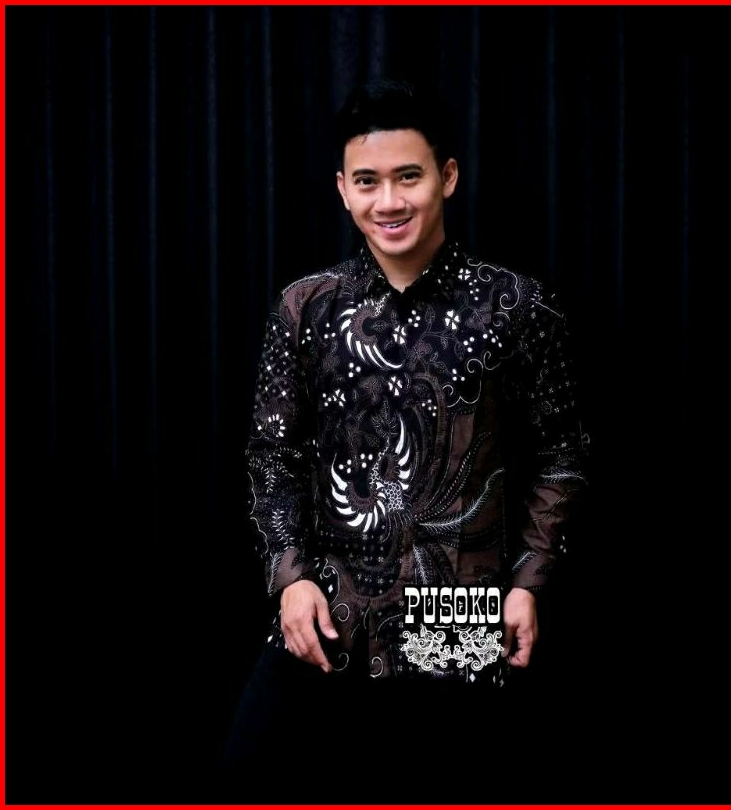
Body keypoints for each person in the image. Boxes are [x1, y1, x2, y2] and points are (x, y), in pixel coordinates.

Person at [219, 77, 589, 804]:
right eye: (367, 181)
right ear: (343, 189)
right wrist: (290, 578)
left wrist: (528, 581)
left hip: (459, 608)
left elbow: (562, 452)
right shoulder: (306, 306)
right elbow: (273, 454)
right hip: (327, 606)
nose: (388, 201)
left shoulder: (514, 305)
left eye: (408, 177)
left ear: (446, 177)